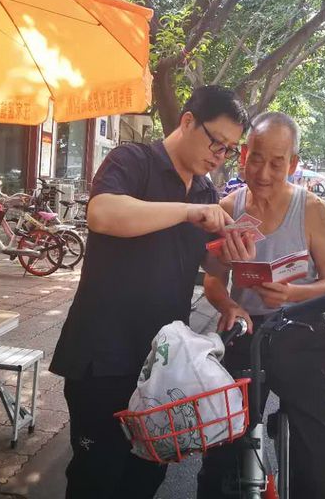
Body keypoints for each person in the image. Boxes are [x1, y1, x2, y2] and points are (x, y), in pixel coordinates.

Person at [49, 85, 255, 499]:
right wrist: (187, 212)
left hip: (163, 365)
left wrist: (231, 257)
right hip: (104, 358)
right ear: (188, 121)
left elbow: (206, 266)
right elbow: (103, 213)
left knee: (144, 480)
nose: (220, 156)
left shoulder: (204, 192)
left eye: (230, 150)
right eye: (216, 142)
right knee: (95, 478)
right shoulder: (133, 160)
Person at [197, 112, 325, 499]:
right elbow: (213, 279)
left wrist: (293, 295)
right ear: (244, 155)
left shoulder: (313, 210)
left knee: (312, 460)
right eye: (257, 158)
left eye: (277, 163)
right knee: (221, 453)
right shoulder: (228, 208)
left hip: (301, 332)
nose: (263, 172)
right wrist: (228, 305)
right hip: (244, 333)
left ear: (292, 164)